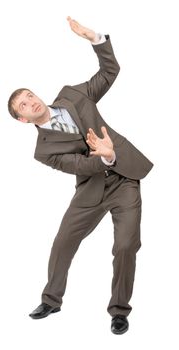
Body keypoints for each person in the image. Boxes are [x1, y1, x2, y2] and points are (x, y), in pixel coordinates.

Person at [8, 16, 153, 335]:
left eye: (29, 95)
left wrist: (95, 39)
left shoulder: (73, 95)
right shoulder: (43, 150)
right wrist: (102, 157)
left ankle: (119, 310)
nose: (31, 101)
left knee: (126, 245)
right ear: (22, 119)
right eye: (23, 104)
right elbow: (79, 166)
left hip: (124, 178)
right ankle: (51, 300)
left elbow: (109, 73)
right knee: (63, 242)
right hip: (90, 188)